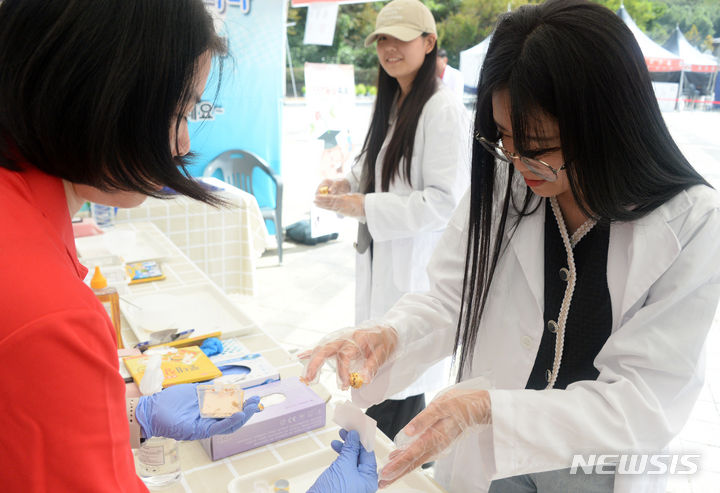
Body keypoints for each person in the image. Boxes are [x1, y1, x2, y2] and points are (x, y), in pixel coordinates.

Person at [302, 1, 720, 492]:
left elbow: (644, 397)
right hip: (490, 456)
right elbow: (450, 298)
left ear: (610, 125)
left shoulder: (690, 223)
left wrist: (487, 409)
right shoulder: (508, 179)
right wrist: (390, 334)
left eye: (540, 147)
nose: (519, 161)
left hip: (597, 464)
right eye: (504, 137)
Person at [0, 1, 372, 491]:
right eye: (177, 112)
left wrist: (133, 416)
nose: (182, 143)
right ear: (94, 93)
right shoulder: (50, 313)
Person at [312, 0, 470, 443]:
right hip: (384, 262)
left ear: (428, 42)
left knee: (402, 389)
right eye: (382, 38)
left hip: (414, 271)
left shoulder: (442, 110)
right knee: (380, 381)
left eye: (400, 38)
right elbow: (376, 171)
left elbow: (445, 201)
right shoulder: (393, 103)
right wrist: (346, 186)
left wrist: (365, 206)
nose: (389, 48)